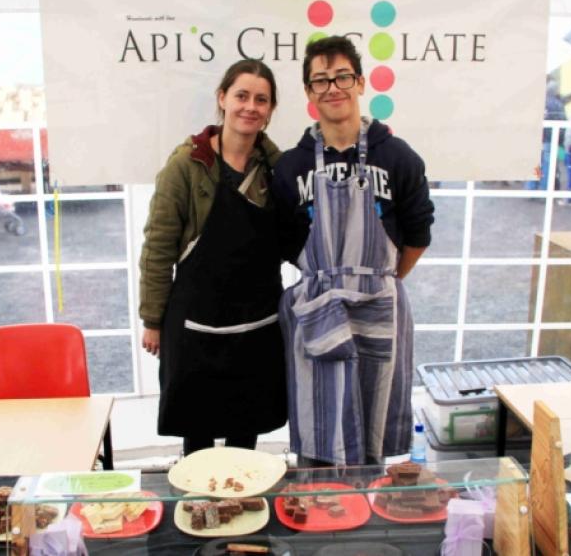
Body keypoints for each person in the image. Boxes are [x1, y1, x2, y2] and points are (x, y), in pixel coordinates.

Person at [272, 36, 435, 466]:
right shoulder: (291, 167)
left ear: (361, 82)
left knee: (373, 425)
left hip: (380, 303)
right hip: (319, 307)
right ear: (308, 93)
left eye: (342, 76)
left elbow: (418, 233)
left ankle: (369, 522)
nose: (333, 88)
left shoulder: (398, 157)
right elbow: (286, 241)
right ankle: (318, 516)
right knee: (320, 427)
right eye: (320, 80)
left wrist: (380, 277)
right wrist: (328, 274)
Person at [138, 59, 287, 456]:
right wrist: (153, 320)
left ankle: (243, 507)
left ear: (270, 110)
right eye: (241, 95)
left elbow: (295, 239)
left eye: (261, 99)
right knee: (197, 432)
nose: (250, 106)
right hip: (195, 325)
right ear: (222, 99)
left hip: (257, 323)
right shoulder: (186, 166)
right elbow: (157, 248)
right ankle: (198, 509)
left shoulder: (279, 171)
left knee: (247, 431)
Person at [527, 78, 566, 191]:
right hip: (549, 139)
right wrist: (561, 140)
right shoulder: (558, 105)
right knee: (547, 167)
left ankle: (531, 188)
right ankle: (544, 190)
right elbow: (563, 122)